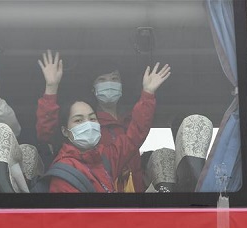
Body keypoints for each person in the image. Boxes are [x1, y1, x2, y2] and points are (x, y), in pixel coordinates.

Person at [36, 51, 170, 193]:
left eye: (92, 119)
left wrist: (148, 93)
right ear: (64, 130)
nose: (88, 125)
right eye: (78, 120)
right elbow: (46, 132)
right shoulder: (65, 171)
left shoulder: (105, 158)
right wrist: (51, 88)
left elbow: (134, 137)